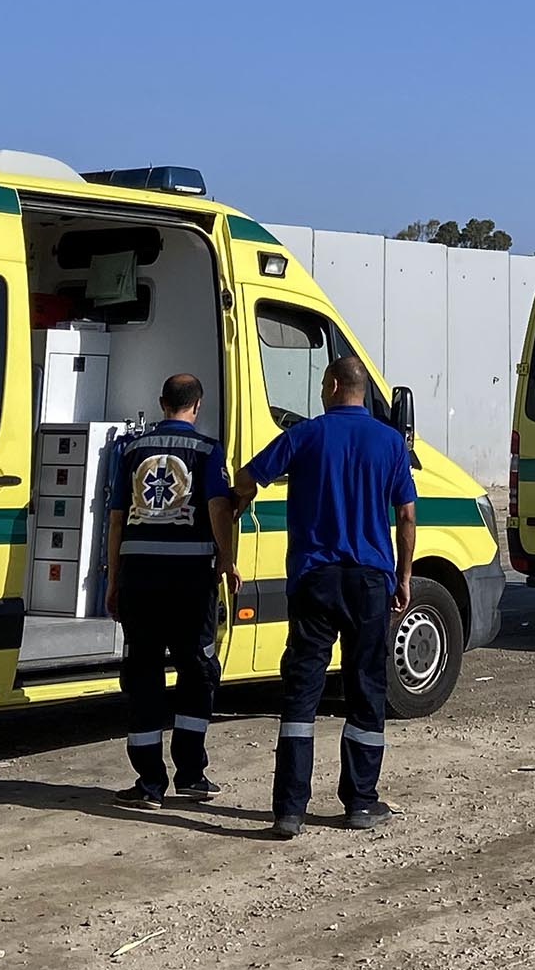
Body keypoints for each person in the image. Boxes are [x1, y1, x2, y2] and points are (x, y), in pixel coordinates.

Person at [229, 352, 416, 839]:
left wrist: (239, 502)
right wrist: (403, 576)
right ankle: (359, 801)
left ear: (332, 385)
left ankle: (288, 810)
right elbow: (407, 515)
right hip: (369, 580)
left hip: (314, 578)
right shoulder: (391, 442)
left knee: (303, 690)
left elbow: (246, 479)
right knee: (366, 687)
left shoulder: (304, 435)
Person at [104, 372, 239, 807]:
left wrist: (112, 579)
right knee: (196, 669)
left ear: (162, 403)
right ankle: (191, 774)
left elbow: (116, 519)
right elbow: (219, 507)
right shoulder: (206, 450)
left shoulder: (130, 450)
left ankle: (147, 783)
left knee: (142, 672)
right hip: (189, 580)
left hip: (139, 577)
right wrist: (227, 558)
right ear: (196, 406)